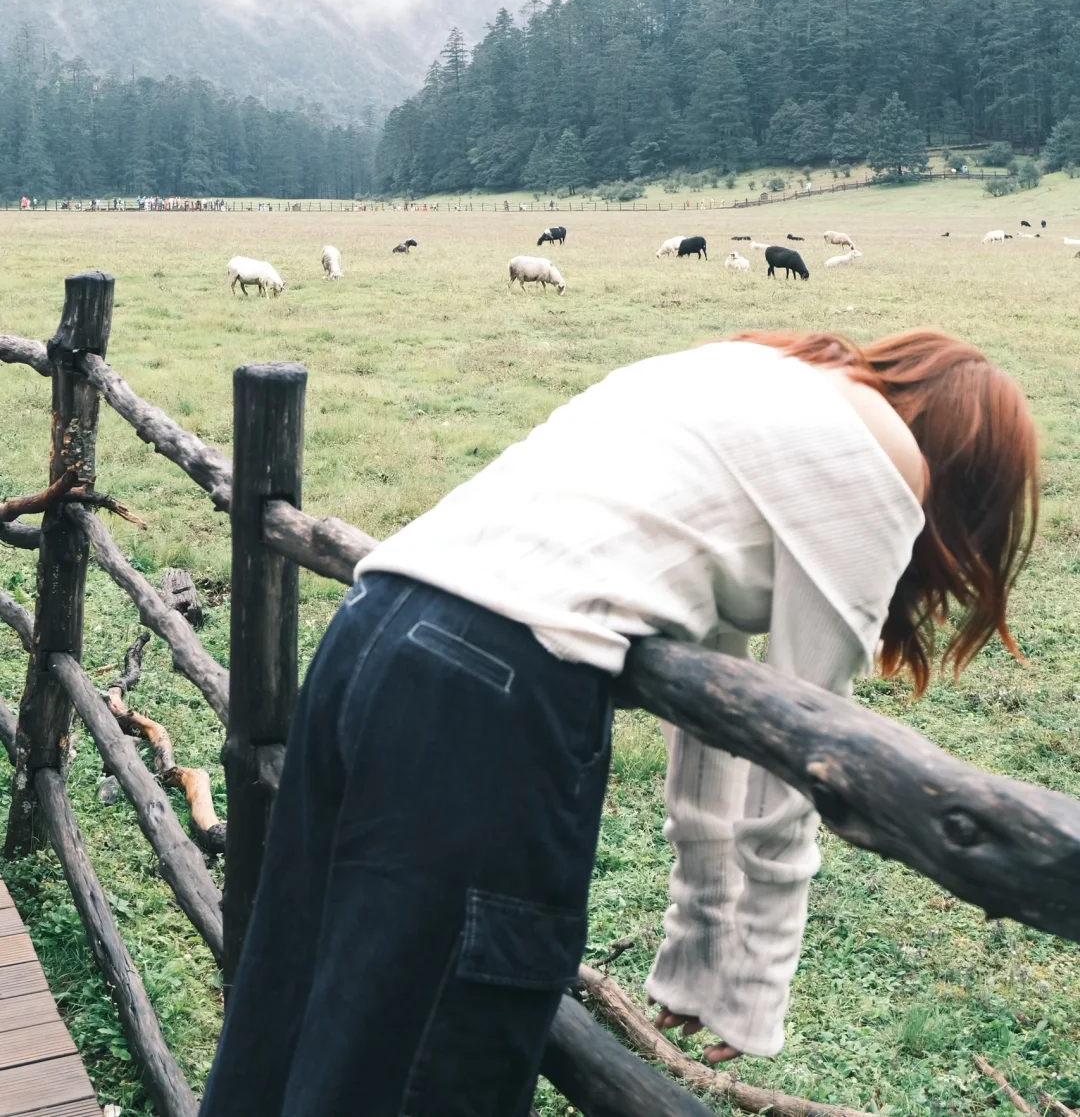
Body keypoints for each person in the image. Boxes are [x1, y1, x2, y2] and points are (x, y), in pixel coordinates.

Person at [201, 329, 1038, 1117]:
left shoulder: (757, 378)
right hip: (487, 695)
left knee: (293, 994)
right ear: (968, 478)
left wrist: (701, 955)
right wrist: (749, 990)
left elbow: (722, 713)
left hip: (372, 627)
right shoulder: (879, 466)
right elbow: (804, 753)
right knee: (426, 1058)